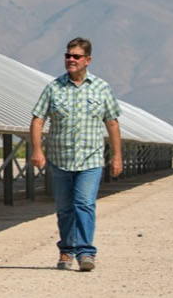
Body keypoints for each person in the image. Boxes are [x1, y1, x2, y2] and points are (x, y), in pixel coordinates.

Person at [28, 37, 123, 272]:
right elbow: (38, 119)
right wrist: (37, 149)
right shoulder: (53, 88)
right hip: (61, 159)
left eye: (76, 56)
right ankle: (66, 250)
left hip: (90, 159)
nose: (71, 60)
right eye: (68, 55)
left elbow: (112, 123)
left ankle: (85, 253)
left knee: (84, 203)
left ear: (87, 60)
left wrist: (117, 156)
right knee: (64, 207)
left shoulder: (101, 88)